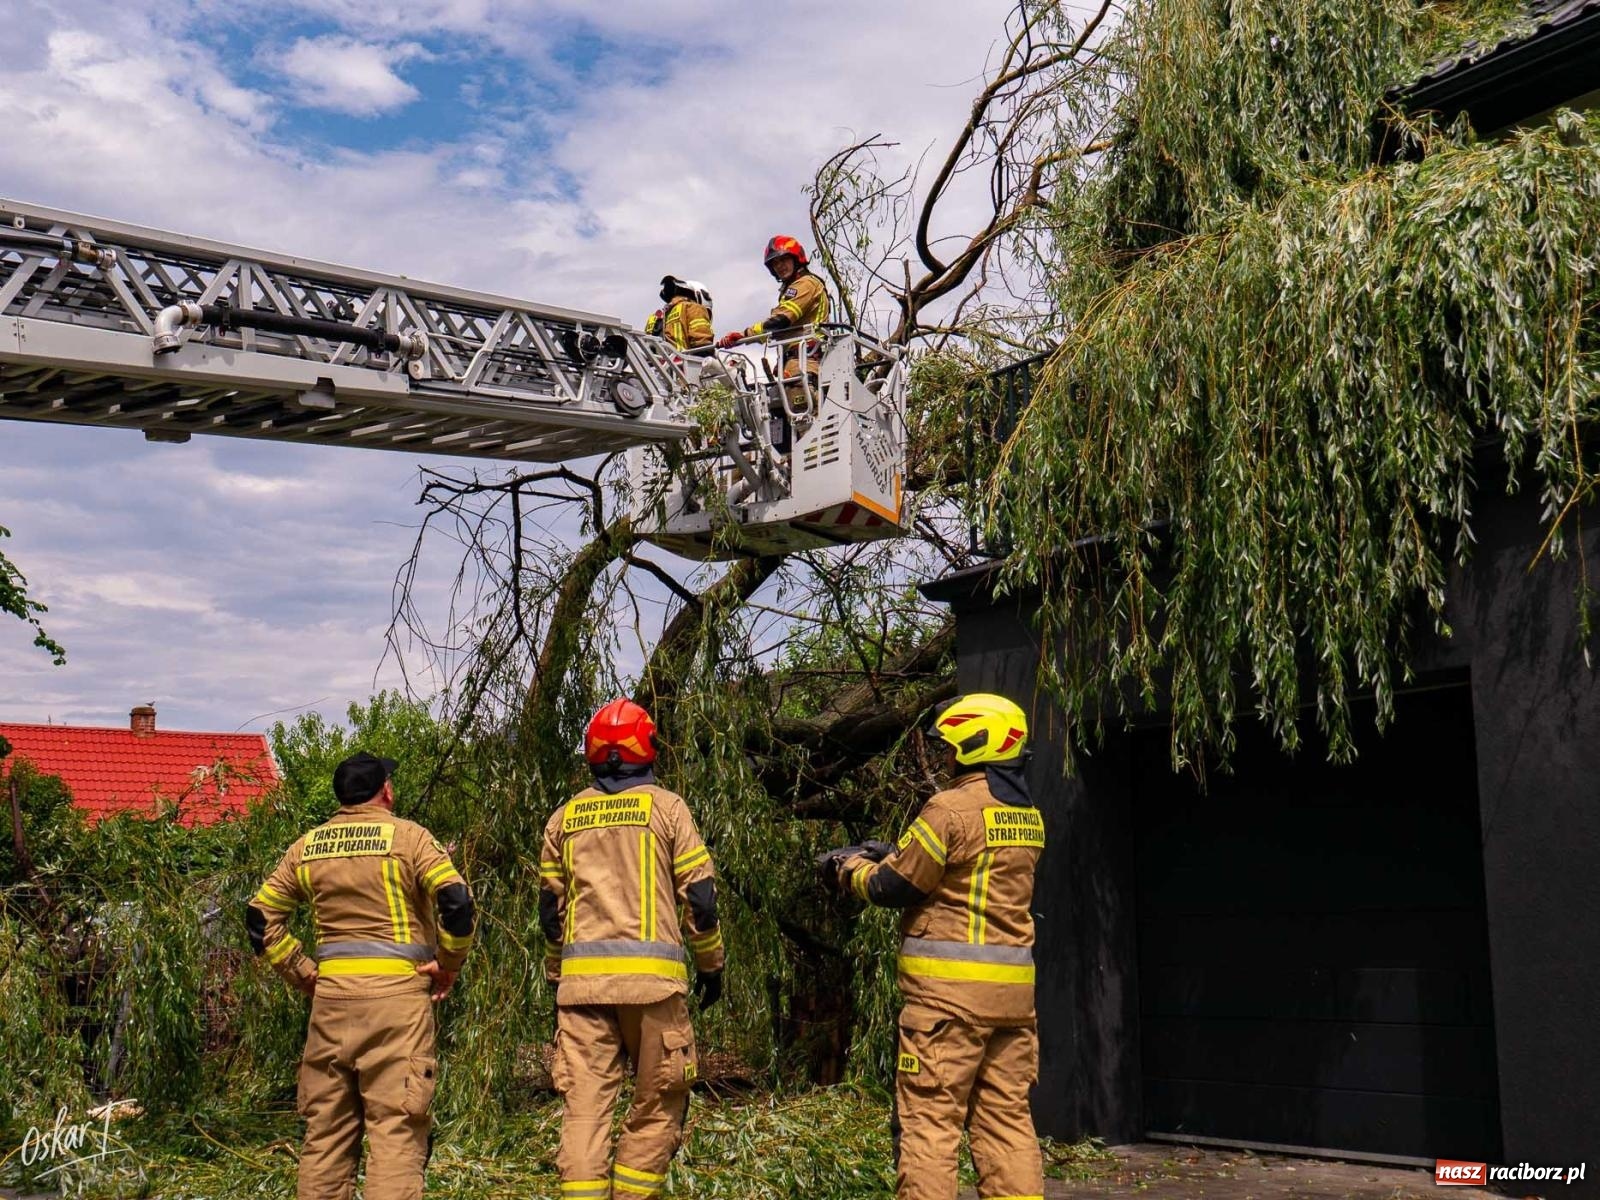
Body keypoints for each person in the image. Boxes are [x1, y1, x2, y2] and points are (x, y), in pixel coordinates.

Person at [820, 694, 1045, 1200]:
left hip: (947, 1006)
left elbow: (894, 887)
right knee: (1007, 1125)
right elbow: (958, 870)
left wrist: (847, 869)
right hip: (1012, 1007)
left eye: (949, 748)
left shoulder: (949, 807)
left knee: (930, 1125)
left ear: (971, 747)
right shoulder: (1028, 816)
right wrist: (893, 853)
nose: (944, 758)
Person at [246, 752, 476, 1200]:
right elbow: (457, 903)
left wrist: (305, 974)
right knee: (396, 1134)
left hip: (330, 1009)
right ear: (385, 791)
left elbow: (259, 917)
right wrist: (448, 964)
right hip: (397, 1008)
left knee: (325, 1142)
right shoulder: (410, 839)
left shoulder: (307, 847)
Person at [540, 698, 725, 1200]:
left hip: (581, 993)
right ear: (648, 748)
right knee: (658, 1105)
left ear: (593, 754)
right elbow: (701, 899)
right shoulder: (667, 809)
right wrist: (711, 966)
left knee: (584, 1112)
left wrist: (557, 974)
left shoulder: (564, 818)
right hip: (653, 991)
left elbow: (549, 913)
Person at [716, 235, 830, 405]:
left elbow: (780, 321)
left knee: (804, 423)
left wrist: (743, 335)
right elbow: (779, 331)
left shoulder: (806, 284)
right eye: (775, 264)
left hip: (805, 362)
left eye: (783, 260)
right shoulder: (791, 289)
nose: (779, 266)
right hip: (794, 363)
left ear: (796, 259)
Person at [644, 275, 715, 351]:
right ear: (699, 295)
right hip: (686, 360)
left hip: (661, 361)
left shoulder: (658, 318)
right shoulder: (695, 309)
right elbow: (702, 342)